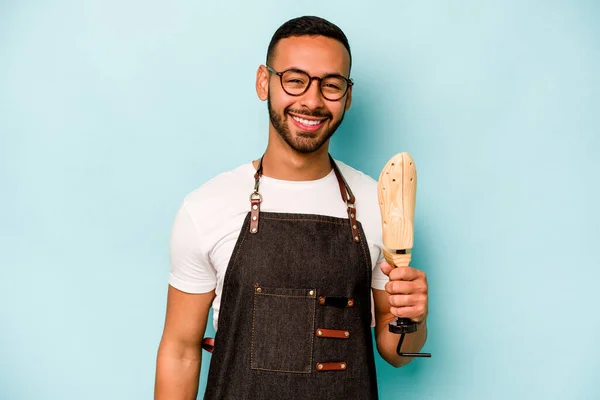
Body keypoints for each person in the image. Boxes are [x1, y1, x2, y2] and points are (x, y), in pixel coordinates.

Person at [154, 15, 428, 400]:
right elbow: (180, 352)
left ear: (348, 96)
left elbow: (401, 355)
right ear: (264, 82)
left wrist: (411, 318)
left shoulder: (376, 202)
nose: (312, 101)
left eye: (331, 85)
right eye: (295, 80)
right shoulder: (207, 206)